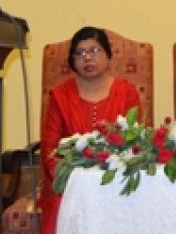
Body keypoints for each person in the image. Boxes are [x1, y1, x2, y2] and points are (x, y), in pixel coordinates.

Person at [40, 27, 141, 234]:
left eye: (95, 51)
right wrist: (76, 179)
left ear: (108, 55)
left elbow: (135, 144)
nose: (87, 58)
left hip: (114, 180)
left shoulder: (127, 93)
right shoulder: (60, 96)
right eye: (80, 53)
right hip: (69, 185)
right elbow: (49, 151)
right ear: (72, 61)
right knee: (59, 209)